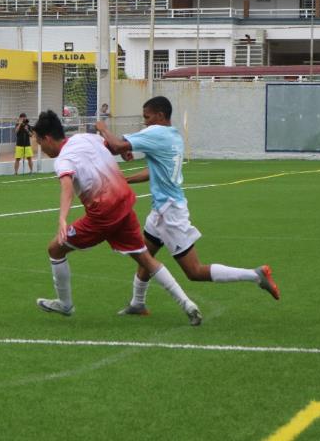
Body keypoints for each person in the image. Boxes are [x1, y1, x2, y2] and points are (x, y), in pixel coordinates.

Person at [94, 96, 279, 319]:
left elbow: (115, 146)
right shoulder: (174, 136)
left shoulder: (157, 133)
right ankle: (137, 303)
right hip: (161, 210)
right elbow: (155, 171)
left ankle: (255, 275)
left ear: (160, 116)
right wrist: (127, 179)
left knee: (194, 271)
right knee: (144, 256)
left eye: (147, 117)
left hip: (169, 214)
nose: (145, 122)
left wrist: (102, 127)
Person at [31, 109, 202, 325]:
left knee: (55, 249)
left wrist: (62, 219)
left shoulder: (63, 159)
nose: (41, 148)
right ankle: (187, 303)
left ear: (47, 138)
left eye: (39, 141)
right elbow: (109, 145)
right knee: (145, 259)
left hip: (102, 215)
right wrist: (122, 153)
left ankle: (65, 304)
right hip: (124, 203)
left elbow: (66, 185)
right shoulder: (85, 138)